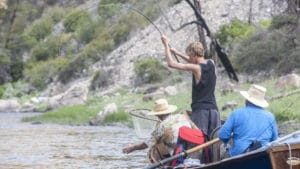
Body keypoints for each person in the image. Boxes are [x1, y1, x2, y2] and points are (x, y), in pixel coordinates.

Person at [160, 35, 220, 143]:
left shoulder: (196, 68)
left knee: (199, 140)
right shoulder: (211, 63)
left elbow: (171, 64)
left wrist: (166, 45)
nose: (189, 58)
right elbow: (193, 60)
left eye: (190, 55)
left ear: (193, 54)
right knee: (215, 141)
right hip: (214, 110)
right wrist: (177, 52)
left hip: (201, 111)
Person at [122, 99, 196, 164]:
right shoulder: (182, 116)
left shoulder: (162, 126)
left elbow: (146, 144)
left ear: (158, 115)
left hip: (176, 154)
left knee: (155, 146)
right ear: (169, 111)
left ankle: (165, 163)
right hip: (191, 150)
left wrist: (132, 148)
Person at [218, 84, 278, 157]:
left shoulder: (236, 114)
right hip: (264, 154)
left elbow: (223, 135)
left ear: (247, 100)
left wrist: (228, 139)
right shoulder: (270, 116)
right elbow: (274, 139)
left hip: (239, 155)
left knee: (222, 148)